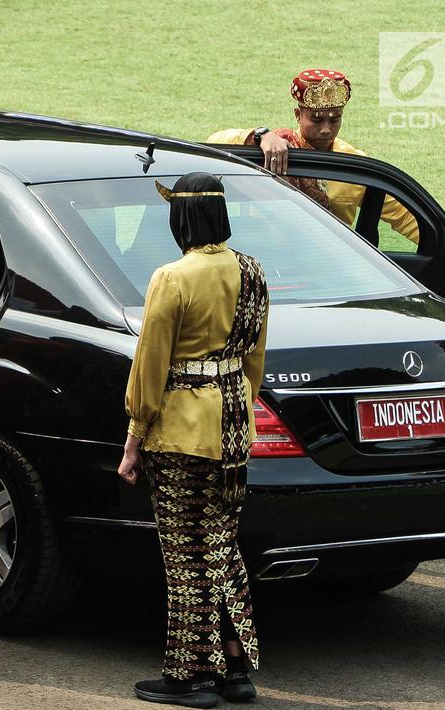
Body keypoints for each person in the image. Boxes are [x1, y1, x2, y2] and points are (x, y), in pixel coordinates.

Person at [119, 173, 269, 706]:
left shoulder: (173, 277)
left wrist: (135, 437)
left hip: (182, 430)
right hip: (233, 427)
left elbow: (150, 364)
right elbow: (254, 359)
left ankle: (190, 677)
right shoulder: (251, 272)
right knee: (222, 547)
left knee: (185, 555)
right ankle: (235, 666)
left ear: (180, 217)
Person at [208, 68, 419, 244]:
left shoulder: (353, 163)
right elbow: (212, 144)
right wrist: (259, 136)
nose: (326, 129)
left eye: (335, 119)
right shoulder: (273, 149)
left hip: (326, 262)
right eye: (316, 120)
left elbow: (405, 217)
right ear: (298, 115)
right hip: (268, 254)